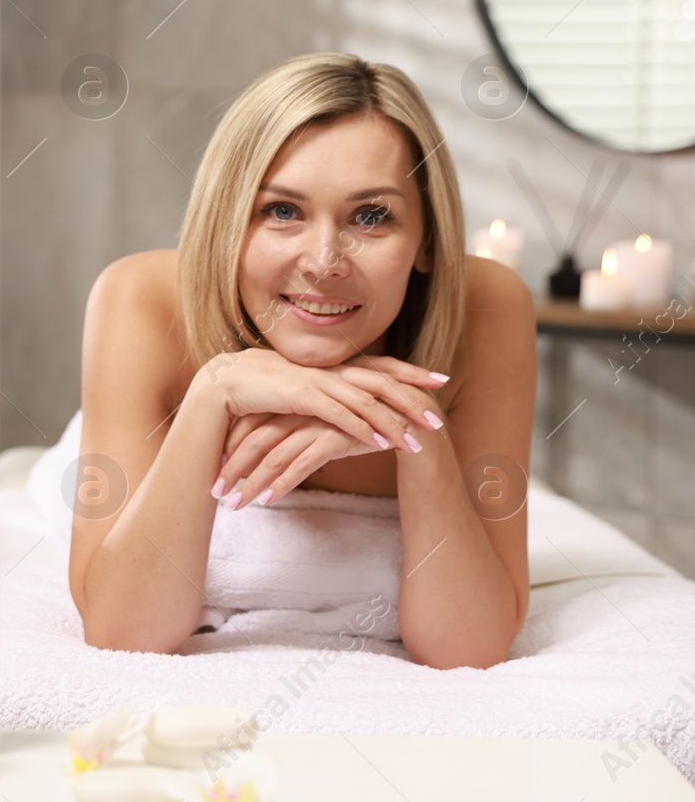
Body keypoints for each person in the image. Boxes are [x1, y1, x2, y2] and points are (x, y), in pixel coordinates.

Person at [71, 52, 535, 668]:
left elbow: (468, 648)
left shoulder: (489, 307)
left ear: (426, 240)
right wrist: (215, 391)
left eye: (371, 217)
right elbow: (122, 630)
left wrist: (413, 427)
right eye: (282, 211)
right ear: (227, 225)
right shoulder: (141, 300)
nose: (324, 262)